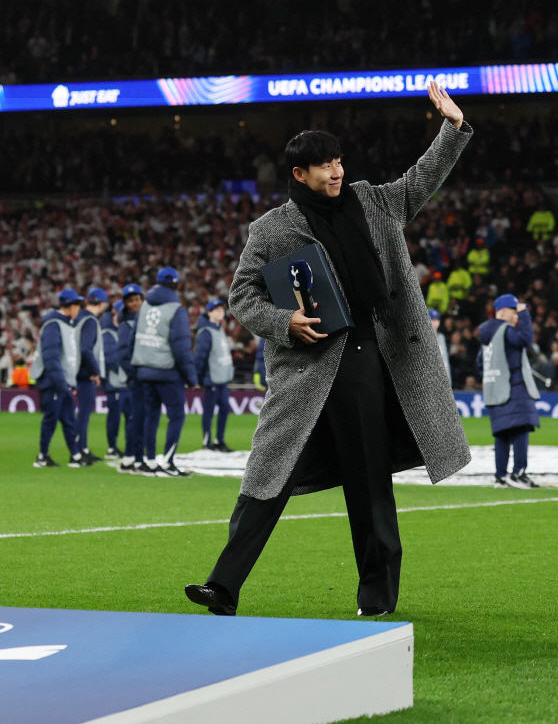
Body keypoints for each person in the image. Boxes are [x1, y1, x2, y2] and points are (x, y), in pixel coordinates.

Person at [186, 81, 473, 618]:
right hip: (307, 367)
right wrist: (283, 320)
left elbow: (419, 182)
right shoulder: (271, 229)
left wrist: (451, 129)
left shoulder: (372, 199)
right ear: (299, 174)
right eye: (324, 165)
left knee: (369, 485)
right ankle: (222, 585)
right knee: (266, 477)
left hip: (367, 357)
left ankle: (377, 598)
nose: (337, 171)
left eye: (339, 160)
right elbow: (242, 295)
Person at [131, 267, 199, 478]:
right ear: (177, 285)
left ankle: (150, 461)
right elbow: (180, 347)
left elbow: (134, 336)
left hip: (145, 371)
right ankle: (168, 461)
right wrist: (191, 377)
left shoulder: (144, 306)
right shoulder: (176, 309)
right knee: (176, 416)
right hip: (168, 373)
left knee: (150, 415)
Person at [479, 294, 541, 489]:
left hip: (496, 389)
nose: (517, 316)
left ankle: (500, 476)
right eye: (515, 311)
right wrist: (525, 316)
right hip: (514, 387)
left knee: (502, 433)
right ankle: (518, 474)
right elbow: (525, 339)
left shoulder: (486, 333)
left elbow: (480, 363)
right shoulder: (505, 330)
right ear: (503, 311)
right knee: (522, 429)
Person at [31, 289, 85, 468]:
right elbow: (51, 357)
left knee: (68, 418)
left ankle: (75, 455)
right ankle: (42, 456)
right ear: (71, 306)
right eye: (77, 305)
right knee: (51, 419)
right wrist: (62, 384)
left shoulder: (63, 324)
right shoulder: (54, 325)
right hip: (54, 382)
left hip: (63, 381)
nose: (79, 309)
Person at [116, 284, 156, 476]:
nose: (135, 303)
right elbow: (123, 356)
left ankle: (133, 456)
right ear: (125, 304)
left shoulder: (145, 320)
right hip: (137, 380)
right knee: (137, 418)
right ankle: (135, 457)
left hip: (145, 377)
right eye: (131, 301)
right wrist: (135, 375)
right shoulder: (126, 326)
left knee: (141, 418)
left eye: (137, 299)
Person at [73, 287, 108, 466]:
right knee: (84, 414)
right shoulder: (91, 321)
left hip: (76, 371)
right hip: (85, 374)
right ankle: (78, 450)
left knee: (82, 414)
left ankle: (83, 447)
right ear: (102, 304)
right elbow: (86, 349)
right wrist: (95, 371)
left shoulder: (78, 317)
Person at [195, 298, 235, 452]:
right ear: (209, 313)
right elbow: (199, 358)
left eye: (222, 309)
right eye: (217, 309)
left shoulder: (218, 330)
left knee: (224, 408)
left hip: (221, 378)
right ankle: (207, 442)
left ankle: (219, 441)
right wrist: (197, 379)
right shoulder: (206, 332)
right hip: (211, 378)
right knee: (209, 411)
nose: (221, 312)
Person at [101, 298, 129, 459]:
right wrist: (126, 373)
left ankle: (131, 445)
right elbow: (110, 358)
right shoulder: (108, 333)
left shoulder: (124, 331)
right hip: (116, 383)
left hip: (127, 384)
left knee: (131, 417)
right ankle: (112, 447)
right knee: (115, 417)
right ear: (115, 314)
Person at [429, 309, 451, 381]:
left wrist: (448, 378)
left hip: (443, 377)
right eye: (432, 320)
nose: (435, 323)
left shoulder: (441, 337)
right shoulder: (423, 337)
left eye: (437, 320)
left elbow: (445, 358)